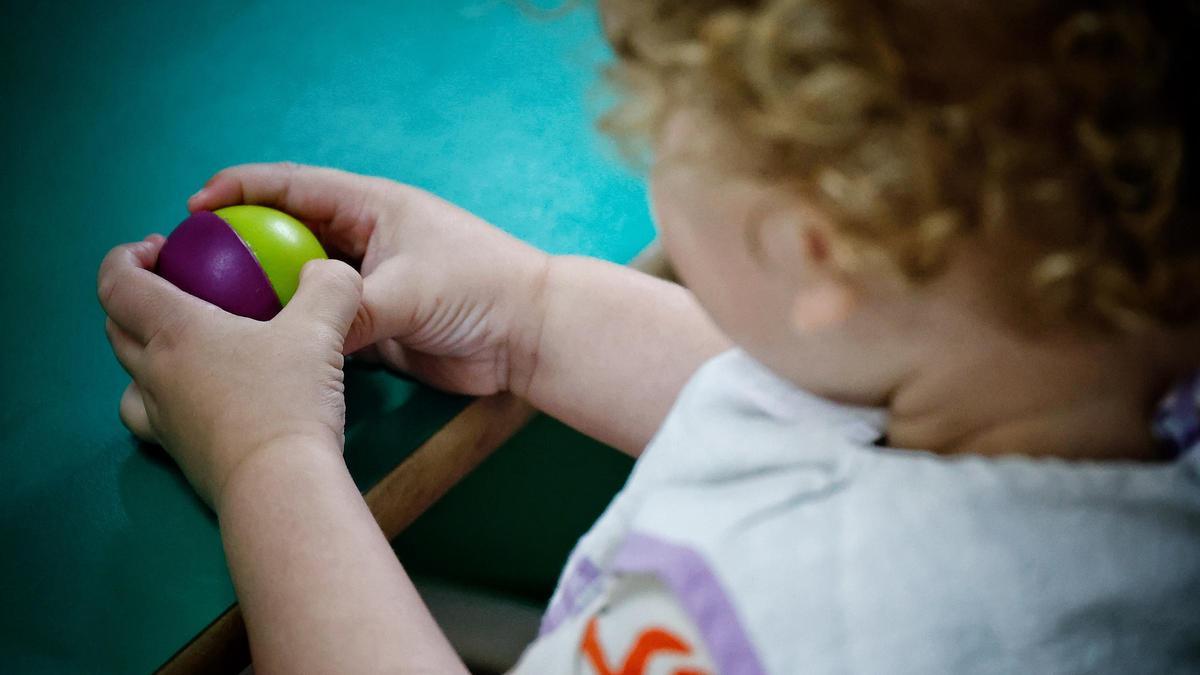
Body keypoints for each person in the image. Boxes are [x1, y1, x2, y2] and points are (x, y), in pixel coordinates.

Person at [98, 1, 1200, 672]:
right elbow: (819, 422)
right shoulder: (1117, 398)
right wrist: (529, 312)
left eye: (662, 122)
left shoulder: (776, 626)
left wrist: (268, 457)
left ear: (813, 250)